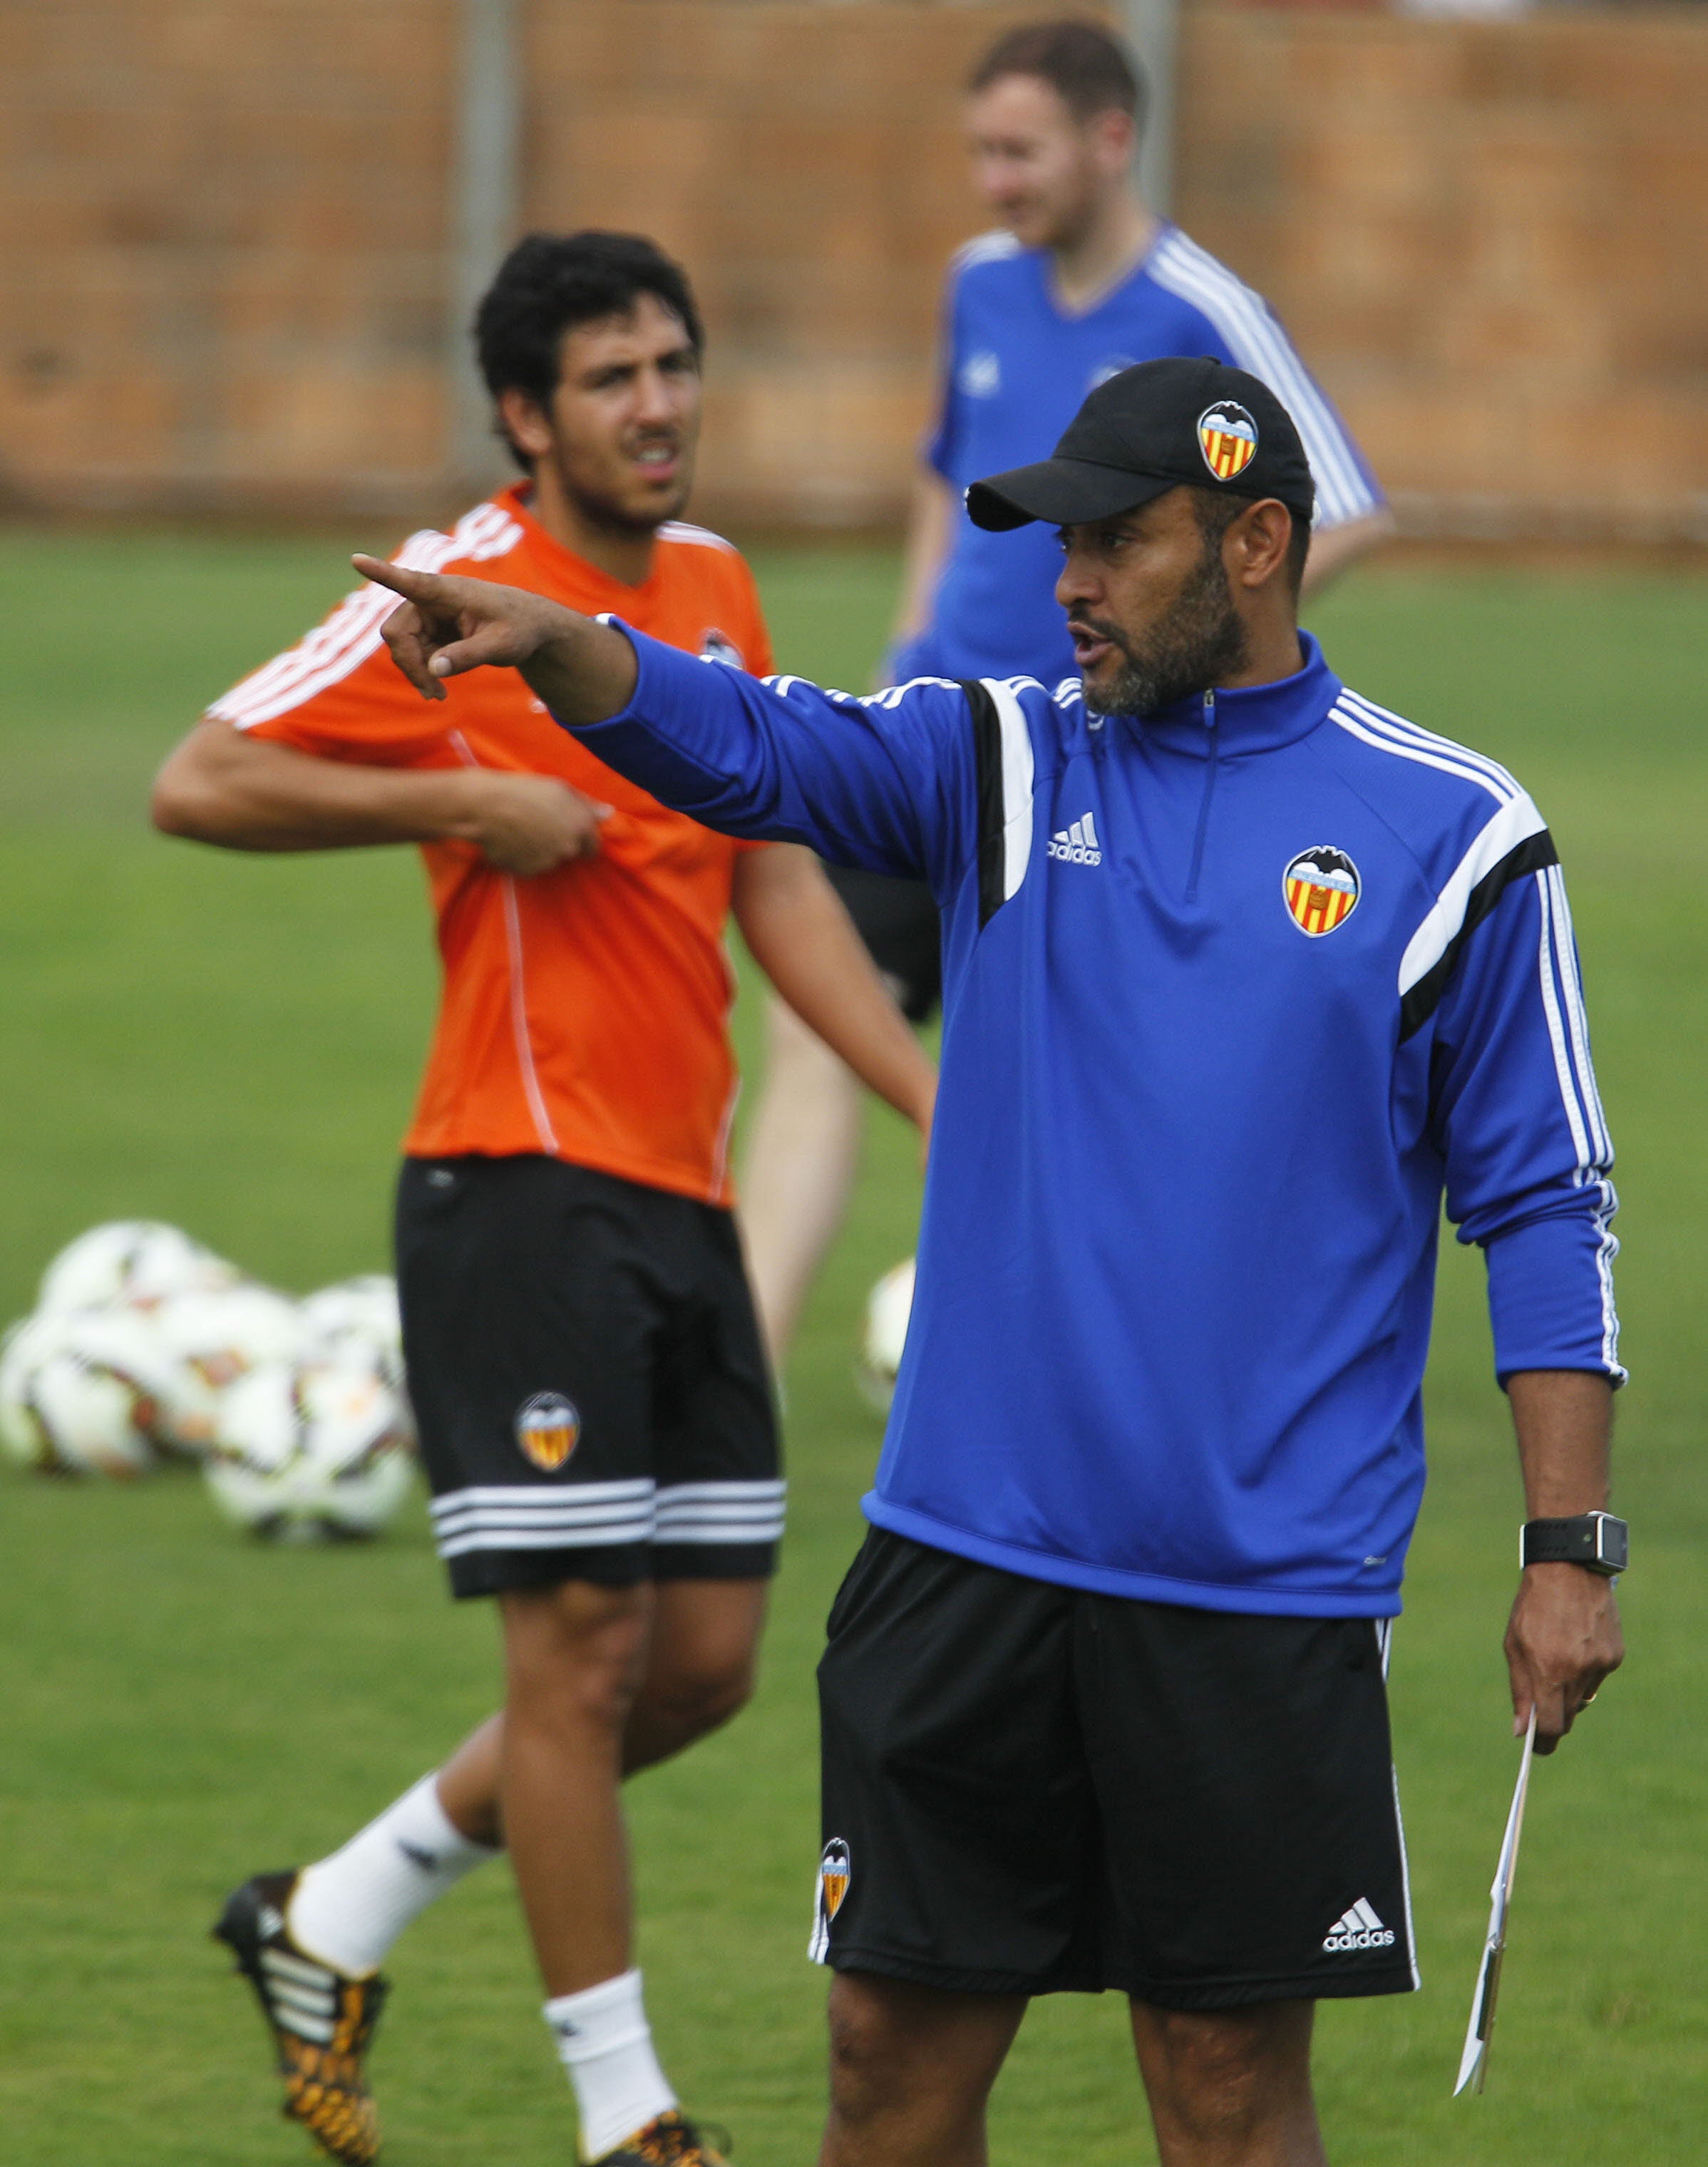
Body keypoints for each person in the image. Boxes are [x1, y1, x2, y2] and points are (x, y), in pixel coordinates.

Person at [351, 354, 1626, 2167]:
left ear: (1258, 541)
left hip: (1251, 1593)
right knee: (881, 2063)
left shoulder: (1457, 840)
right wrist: (557, 641)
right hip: (963, 1562)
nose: (1072, 582)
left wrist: (1567, 1548)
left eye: (1120, 539)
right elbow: (752, 740)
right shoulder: (1003, 756)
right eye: (1061, 542)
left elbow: (1543, 1200)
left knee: (1223, 2086)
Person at [151, 230, 934, 2167]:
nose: (658, 403)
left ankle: (330, 1913)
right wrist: (459, 798)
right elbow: (200, 775)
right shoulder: (452, 589)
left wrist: (946, 1105)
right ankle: (627, 2119)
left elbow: (771, 879)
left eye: (675, 362)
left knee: (698, 1669)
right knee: (576, 1658)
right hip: (511, 1183)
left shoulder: (714, 589)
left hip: (682, 1200)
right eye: (611, 377)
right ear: (526, 415)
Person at [739, 16, 1393, 1369]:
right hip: (932, 737)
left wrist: (1159, 664)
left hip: (1087, 769)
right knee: (815, 1019)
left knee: (1069, 1074)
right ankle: (743, 1367)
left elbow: (1347, 507)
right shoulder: (978, 282)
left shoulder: (1205, 314)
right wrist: (909, 635)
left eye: (1020, 152)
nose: (995, 182)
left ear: (1111, 140)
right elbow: (944, 468)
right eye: (980, 152)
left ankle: (1104, 1352)